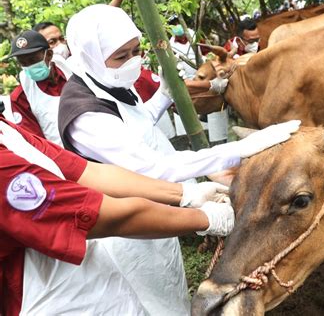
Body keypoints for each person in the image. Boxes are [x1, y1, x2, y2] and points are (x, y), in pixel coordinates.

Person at [57, 4, 300, 315]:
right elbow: (154, 167)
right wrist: (238, 150)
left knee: (172, 285)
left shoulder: (105, 82)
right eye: (121, 56)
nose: (132, 61)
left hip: (156, 207)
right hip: (129, 230)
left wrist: (164, 95)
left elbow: (138, 124)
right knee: (152, 300)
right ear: (88, 54)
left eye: (136, 51)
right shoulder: (85, 115)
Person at [0, 116, 234, 315]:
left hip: (92, 282)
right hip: (51, 303)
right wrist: (206, 219)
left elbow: (89, 172)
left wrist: (185, 193)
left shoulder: (5, 130)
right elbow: (105, 217)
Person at [6, 30, 71, 146]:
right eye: (23, 63)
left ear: (49, 55)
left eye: (32, 60)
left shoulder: (73, 72)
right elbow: (36, 141)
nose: (29, 66)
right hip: (65, 158)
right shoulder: (21, 96)